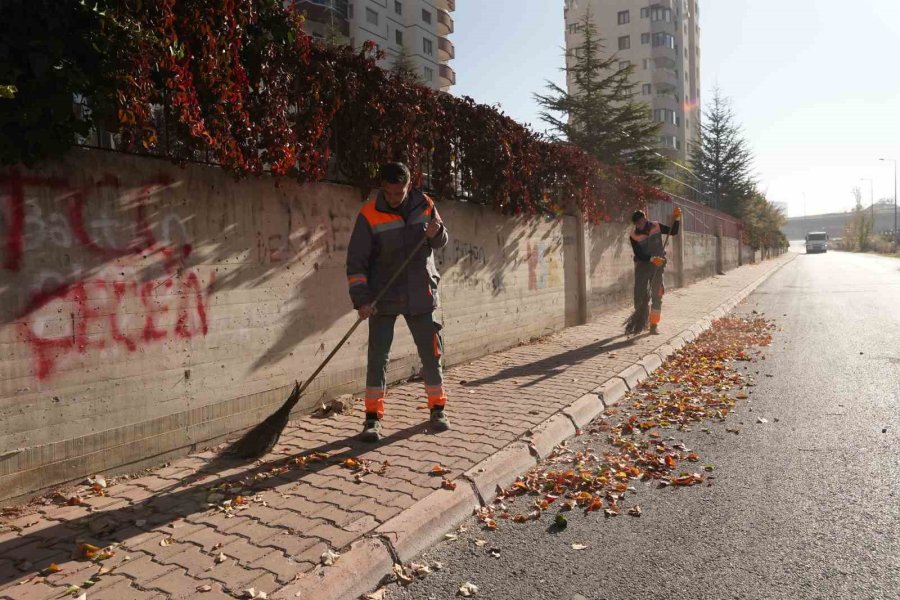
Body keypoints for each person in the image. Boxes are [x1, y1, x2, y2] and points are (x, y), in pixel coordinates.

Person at [346, 162, 450, 442]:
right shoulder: (369, 214)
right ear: (382, 187)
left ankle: (438, 409)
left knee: (431, 354)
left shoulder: (425, 204)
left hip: (421, 293)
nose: (394, 198)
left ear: (409, 185)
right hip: (384, 295)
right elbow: (357, 262)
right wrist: (362, 300)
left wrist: (435, 234)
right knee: (377, 358)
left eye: (400, 192)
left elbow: (442, 239)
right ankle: (372, 419)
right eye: (389, 193)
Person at [629, 206, 682, 334]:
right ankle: (641, 321)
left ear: (645, 219)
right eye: (637, 223)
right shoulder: (634, 236)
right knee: (639, 295)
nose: (639, 225)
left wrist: (677, 219)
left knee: (657, 294)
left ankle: (653, 324)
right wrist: (651, 258)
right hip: (643, 267)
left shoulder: (656, 226)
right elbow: (638, 254)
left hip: (658, 266)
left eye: (641, 222)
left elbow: (673, 232)